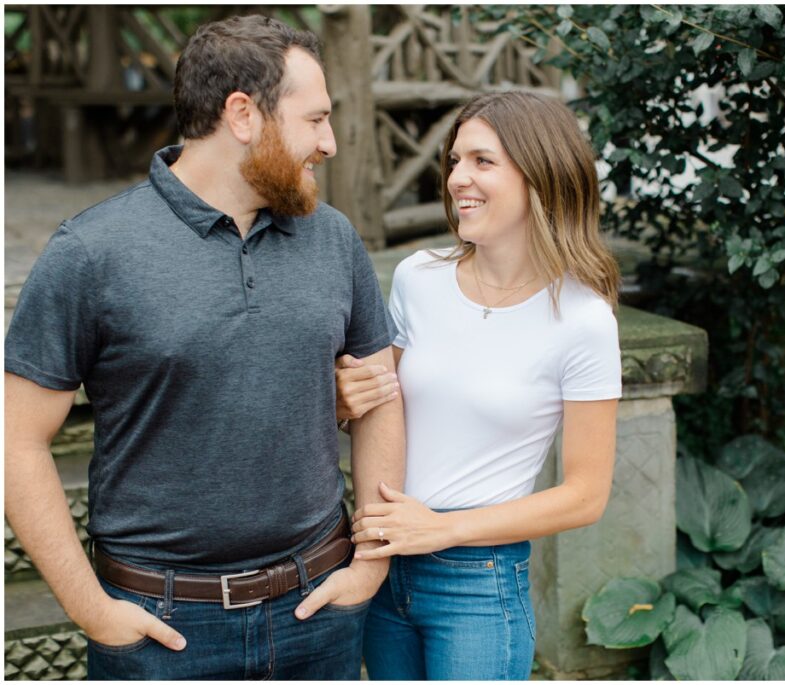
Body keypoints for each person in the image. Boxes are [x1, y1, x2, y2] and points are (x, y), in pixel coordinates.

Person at [4, 15, 404, 680]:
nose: (330, 143)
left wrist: (371, 562)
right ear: (243, 115)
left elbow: (381, 395)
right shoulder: (91, 252)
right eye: (315, 119)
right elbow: (15, 438)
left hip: (320, 610)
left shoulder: (333, 238)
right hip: (162, 630)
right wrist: (90, 608)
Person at [336, 91, 622, 680]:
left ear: (539, 174)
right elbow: (375, 403)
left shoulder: (585, 319)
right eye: (455, 160)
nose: (457, 178)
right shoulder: (419, 277)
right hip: (384, 563)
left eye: (482, 161)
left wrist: (442, 529)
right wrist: (341, 401)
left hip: (478, 580)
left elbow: (586, 495)